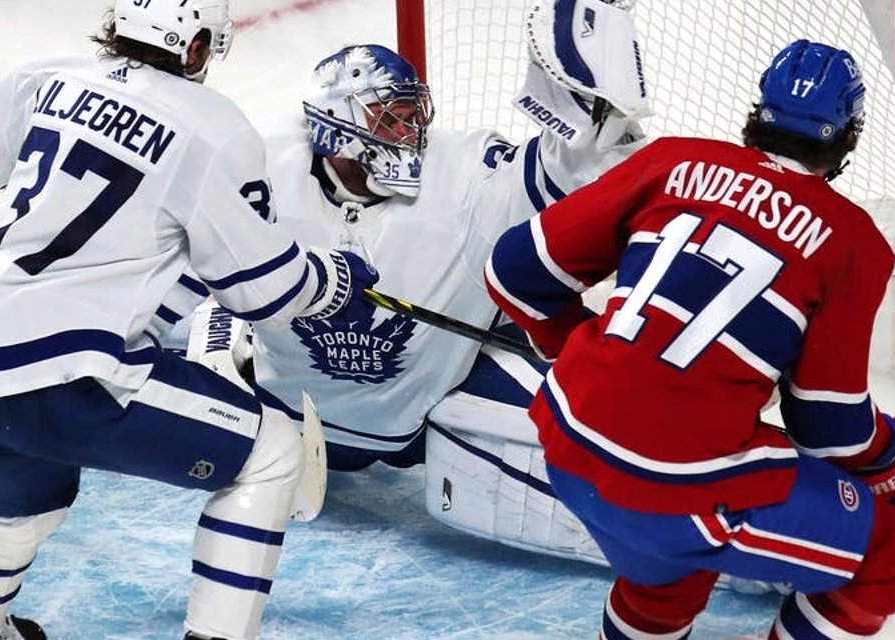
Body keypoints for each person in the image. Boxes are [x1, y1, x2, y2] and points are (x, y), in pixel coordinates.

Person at [0, 2, 376, 639]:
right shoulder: (211, 127)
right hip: (70, 371)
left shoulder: (45, 75)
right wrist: (331, 280)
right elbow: (261, 290)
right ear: (198, 46)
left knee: (21, 515)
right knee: (270, 453)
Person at [484, 39, 895, 638]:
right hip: (674, 488)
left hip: (566, 444)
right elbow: (828, 425)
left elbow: (513, 272)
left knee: (669, 574)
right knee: (887, 554)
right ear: (847, 138)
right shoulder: (852, 241)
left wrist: (580, 355)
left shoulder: (672, 161)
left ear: (758, 114)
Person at [172, 0, 648, 560]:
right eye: (387, 118)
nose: (409, 132)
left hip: (431, 411)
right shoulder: (265, 163)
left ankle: (688, 524)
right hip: (290, 420)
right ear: (334, 132)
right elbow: (186, 249)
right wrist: (221, 330)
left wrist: (593, 98)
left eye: (410, 115)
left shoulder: (468, 175)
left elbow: (589, 168)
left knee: (607, 417)